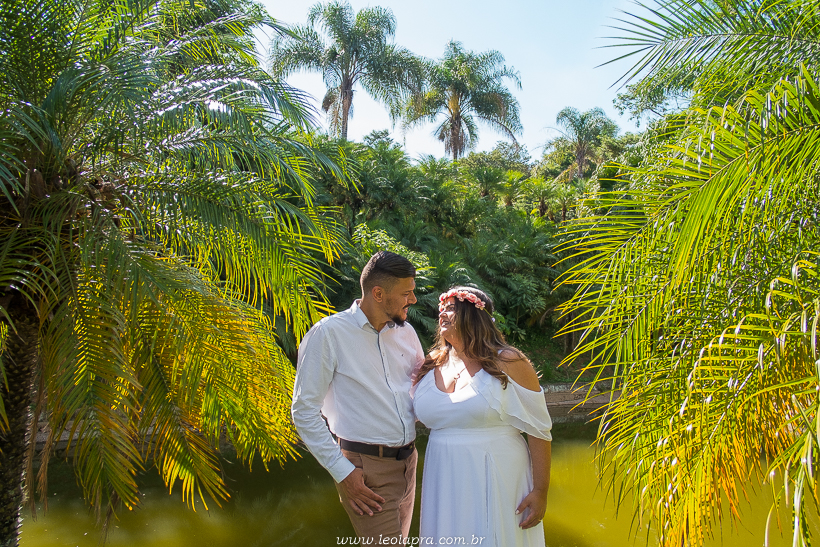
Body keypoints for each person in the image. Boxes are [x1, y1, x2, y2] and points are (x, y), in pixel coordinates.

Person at [291, 251, 425, 542]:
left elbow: (422, 388)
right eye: (407, 293)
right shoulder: (328, 335)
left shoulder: (407, 333)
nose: (413, 300)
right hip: (365, 473)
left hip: (408, 464)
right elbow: (303, 411)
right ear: (378, 293)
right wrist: (343, 473)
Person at [412, 286, 552, 547]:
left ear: (474, 315)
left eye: (451, 308)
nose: (442, 312)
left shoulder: (508, 361)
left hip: (497, 472)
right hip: (443, 474)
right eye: (441, 308)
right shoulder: (431, 363)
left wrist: (540, 491)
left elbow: (539, 429)